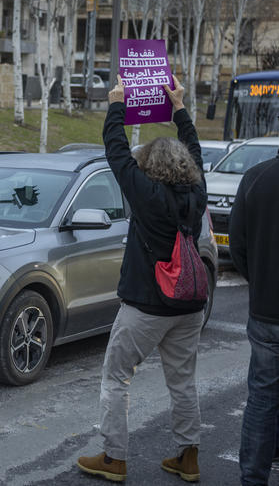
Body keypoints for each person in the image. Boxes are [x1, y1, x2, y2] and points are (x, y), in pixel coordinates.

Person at [77, 75, 207, 483]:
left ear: (151, 166)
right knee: (183, 381)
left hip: (146, 306)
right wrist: (180, 108)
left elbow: (115, 152)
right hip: (189, 305)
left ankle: (114, 458)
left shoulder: (147, 196)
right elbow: (198, 153)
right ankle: (188, 457)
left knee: (116, 376)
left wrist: (116, 103)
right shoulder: (197, 192)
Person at [229, 140, 279, 485]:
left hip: (266, 311)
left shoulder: (255, 178)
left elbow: (237, 246)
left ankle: (253, 478)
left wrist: (260, 281)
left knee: (262, 398)